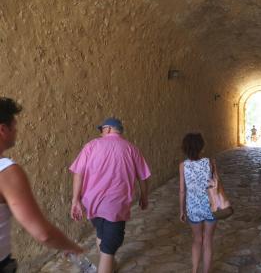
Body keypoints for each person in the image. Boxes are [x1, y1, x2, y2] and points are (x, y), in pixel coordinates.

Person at [0, 97, 83, 272]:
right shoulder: (6, 172)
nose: (16, 131)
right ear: (2, 129)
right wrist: (70, 246)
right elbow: (43, 234)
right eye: (14, 126)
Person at [70, 118, 151, 273]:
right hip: (116, 207)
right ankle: (106, 267)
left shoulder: (91, 146)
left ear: (107, 129)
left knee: (101, 234)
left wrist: (75, 200)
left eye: (101, 130)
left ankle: (109, 266)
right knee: (109, 247)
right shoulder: (131, 149)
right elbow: (143, 177)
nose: (100, 133)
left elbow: (78, 173)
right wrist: (144, 196)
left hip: (92, 205)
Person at [179, 133, 217, 273]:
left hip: (193, 208)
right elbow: (217, 184)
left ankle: (194, 270)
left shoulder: (183, 166)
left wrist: (182, 210)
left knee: (197, 240)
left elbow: (182, 191)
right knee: (208, 241)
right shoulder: (210, 162)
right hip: (210, 207)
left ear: (185, 148)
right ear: (202, 146)